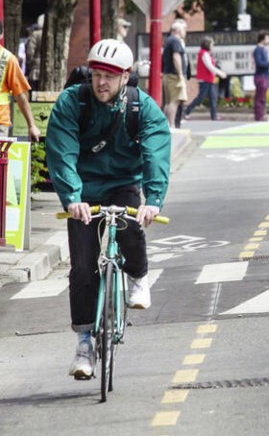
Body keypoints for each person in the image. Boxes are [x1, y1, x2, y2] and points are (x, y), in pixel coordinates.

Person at [45, 39, 171, 380]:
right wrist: (72, 197)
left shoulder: (140, 107)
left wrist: (154, 199)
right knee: (83, 266)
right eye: (97, 74)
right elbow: (61, 151)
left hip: (122, 184)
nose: (102, 82)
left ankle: (139, 276)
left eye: (111, 77)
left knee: (130, 226)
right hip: (83, 192)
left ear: (126, 77)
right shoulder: (72, 102)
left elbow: (156, 151)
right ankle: (84, 343)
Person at [0, 20, 42, 142]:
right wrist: (32, 125)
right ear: (2, 34)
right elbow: (20, 96)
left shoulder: (9, 59)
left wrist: (31, 125)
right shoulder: (8, 59)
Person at [184, 37, 227, 121]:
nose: (213, 46)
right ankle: (187, 111)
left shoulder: (206, 53)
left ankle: (214, 116)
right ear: (208, 45)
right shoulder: (203, 54)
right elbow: (209, 66)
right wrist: (220, 73)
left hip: (209, 79)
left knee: (213, 97)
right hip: (204, 79)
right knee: (201, 98)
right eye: (212, 44)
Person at [161, 21, 187, 127]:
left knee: (168, 102)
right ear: (178, 31)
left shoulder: (168, 40)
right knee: (175, 100)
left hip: (167, 74)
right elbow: (176, 57)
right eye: (184, 30)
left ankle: (167, 124)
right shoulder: (176, 41)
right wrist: (180, 74)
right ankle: (171, 125)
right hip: (174, 75)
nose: (185, 32)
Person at [253, 31, 269, 122]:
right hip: (261, 76)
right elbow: (259, 63)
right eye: (268, 38)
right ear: (262, 39)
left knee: (262, 97)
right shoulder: (258, 50)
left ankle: (261, 115)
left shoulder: (263, 50)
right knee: (260, 97)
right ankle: (259, 116)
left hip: (264, 75)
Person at [25, 16, 43, 86]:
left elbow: (30, 52)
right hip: (49, 69)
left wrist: (29, 62)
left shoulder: (36, 34)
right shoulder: (53, 34)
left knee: (34, 89)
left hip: (36, 67)